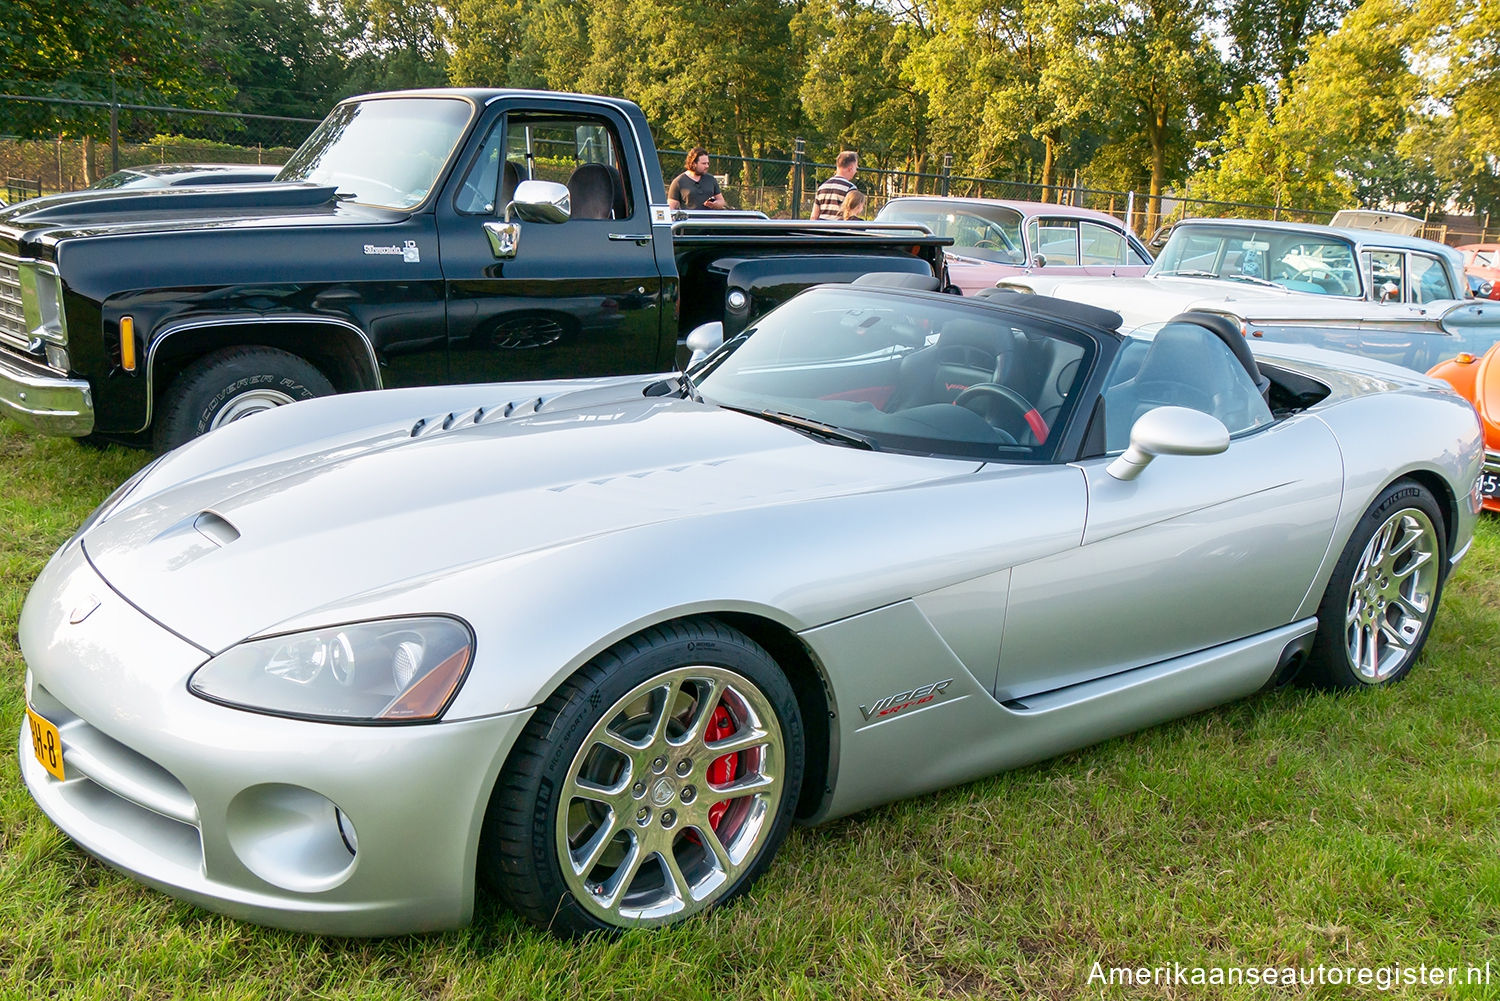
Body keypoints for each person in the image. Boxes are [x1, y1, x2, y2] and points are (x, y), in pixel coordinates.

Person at [809, 150, 858, 220]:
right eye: (856, 167)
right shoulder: (850, 188)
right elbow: (850, 215)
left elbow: (814, 216)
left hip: (821, 228)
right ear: (850, 168)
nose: (856, 171)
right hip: (838, 228)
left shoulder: (822, 187)